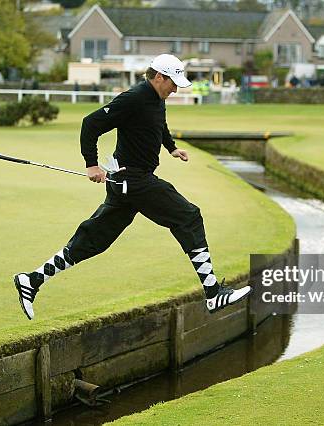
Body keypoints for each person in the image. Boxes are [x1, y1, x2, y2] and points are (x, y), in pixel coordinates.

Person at [13, 54, 251, 320]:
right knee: (189, 216)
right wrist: (92, 165)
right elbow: (90, 124)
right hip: (132, 180)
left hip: (127, 184)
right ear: (159, 77)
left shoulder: (156, 99)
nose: (175, 89)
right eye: (173, 83)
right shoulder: (133, 98)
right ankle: (213, 293)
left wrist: (171, 148)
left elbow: (158, 125)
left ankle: (31, 280)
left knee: (94, 240)